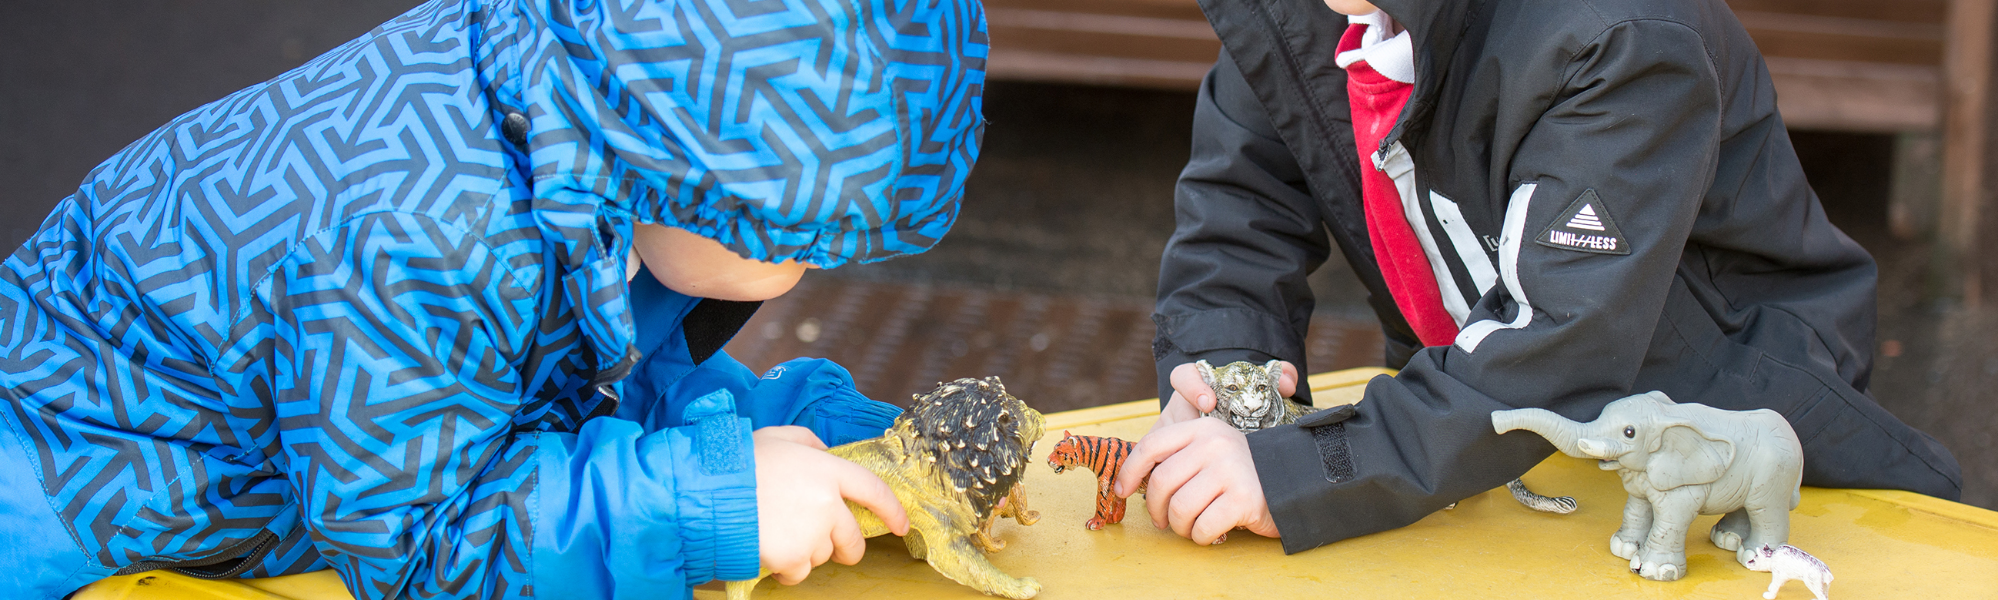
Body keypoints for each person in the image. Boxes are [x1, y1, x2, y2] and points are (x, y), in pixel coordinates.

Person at [0, 0, 987, 598]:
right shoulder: (405, 236)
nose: (807, 271)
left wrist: (819, 439)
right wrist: (712, 501)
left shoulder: (565, 119)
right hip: (76, 514)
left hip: (277, 483)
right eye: (789, 240)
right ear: (679, 163)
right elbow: (425, 547)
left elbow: (563, 377)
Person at [1125, 0, 1963, 554]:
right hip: (1475, 424)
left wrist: (1309, 473)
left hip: (1716, 425)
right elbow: (1241, 203)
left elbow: (1561, 340)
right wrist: (1227, 372)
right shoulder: (1312, 6)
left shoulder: (1621, 32)